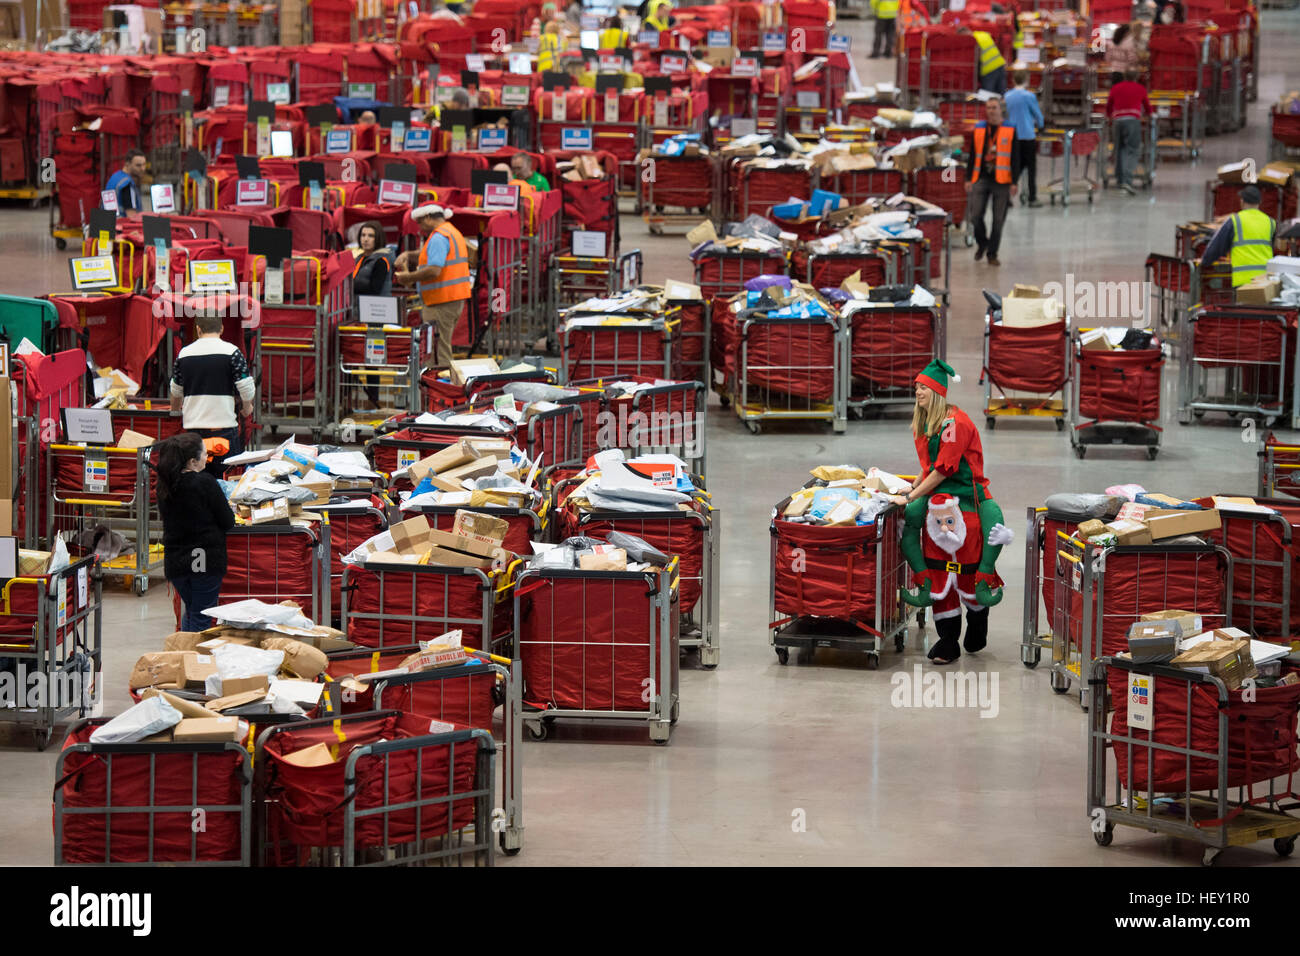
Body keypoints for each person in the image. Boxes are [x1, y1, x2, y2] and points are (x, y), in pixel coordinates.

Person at [898, 361, 1012, 665]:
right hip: (938, 511)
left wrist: (913, 494)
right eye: (916, 387)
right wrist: (909, 491)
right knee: (939, 576)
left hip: (967, 509)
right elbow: (928, 470)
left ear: (936, 391)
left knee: (970, 575)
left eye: (923, 387)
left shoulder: (955, 425)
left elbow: (942, 471)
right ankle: (947, 640)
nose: (917, 392)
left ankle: (977, 625)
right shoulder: (926, 424)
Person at [155, 432, 234, 633]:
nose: (207, 459)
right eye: (205, 455)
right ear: (192, 461)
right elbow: (227, 521)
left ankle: (185, 656)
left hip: (176, 562)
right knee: (201, 617)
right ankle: (193, 661)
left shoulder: (165, 486)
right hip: (204, 560)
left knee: (192, 611)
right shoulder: (205, 483)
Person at [170, 312, 256, 476]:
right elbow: (246, 387)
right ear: (222, 328)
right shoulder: (232, 352)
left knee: (193, 479)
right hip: (223, 428)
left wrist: (175, 411)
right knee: (226, 480)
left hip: (192, 431)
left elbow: (175, 390)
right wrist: (247, 407)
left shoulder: (184, 354)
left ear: (198, 329)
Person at [394, 203, 472, 373]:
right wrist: (408, 254)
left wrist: (409, 277)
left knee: (438, 351)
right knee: (441, 346)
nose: (420, 228)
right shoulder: (450, 231)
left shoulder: (438, 237)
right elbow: (428, 254)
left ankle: (441, 388)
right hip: (452, 297)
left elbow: (433, 270)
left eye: (421, 223)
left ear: (428, 218)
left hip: (440, 300)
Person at [965, 96, 1020, 266]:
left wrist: (1014, 181)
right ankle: (982, 243)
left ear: (1000, 109)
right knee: (975, 216)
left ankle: (992, 253)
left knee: (998, 220)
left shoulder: (1010, 129)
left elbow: (1016, 157)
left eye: (994, 107)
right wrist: (968, 178)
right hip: (981, 178)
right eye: (988, 107)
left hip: (1002, 181)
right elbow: (973, 155)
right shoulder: (979, 128)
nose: (991, 111)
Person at [1199, 185, 1277, 288]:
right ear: (1259, 202)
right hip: (1265, 281)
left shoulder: (1235, 221)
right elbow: (1272, 247)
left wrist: (1205, 261)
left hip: (1243, 280)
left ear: (1242, 201)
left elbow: (1217, 246)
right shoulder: (1271, 222)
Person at [1106, 68, 1151, 195]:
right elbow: (1147, 106)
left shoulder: (1116, 88)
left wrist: (1109, 116)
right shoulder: (1140, 88)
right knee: (1132, 150)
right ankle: (1127, 179)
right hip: (1132, 120)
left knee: (1119, 149)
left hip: (1117, 120)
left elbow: (1109, 104)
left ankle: (1120, 179)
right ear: (1136, 76)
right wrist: (1150, 114)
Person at [1004, 69, 1044, 207]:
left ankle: (1007, 197)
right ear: (1026, 80)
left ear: (1013, 80)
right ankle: (1032, 197)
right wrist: (1041, 126)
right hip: (1027, 135)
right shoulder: (1029, 96)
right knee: (1031, 168)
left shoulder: (1007, 96)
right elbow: (1038, 115)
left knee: (1014, 167)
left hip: (1012, 135)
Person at [971, 28, 1007, 94]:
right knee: (1002, 93)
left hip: (988, 69)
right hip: (1000, 64)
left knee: (988, 96)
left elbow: (976, 57)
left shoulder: (972, 39)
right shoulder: (983, 34)